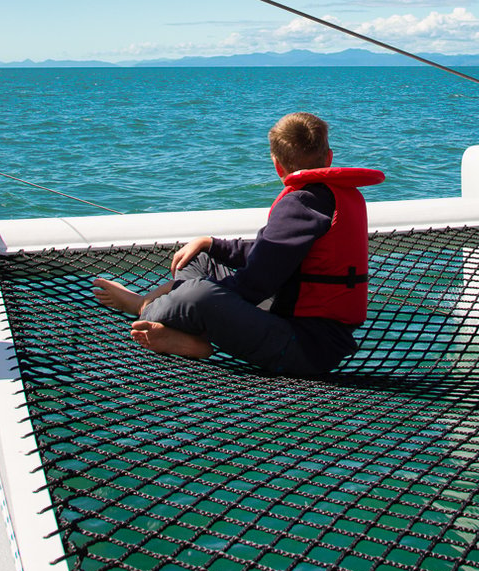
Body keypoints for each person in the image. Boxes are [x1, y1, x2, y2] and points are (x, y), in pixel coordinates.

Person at [92, 112, 384, 376]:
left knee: (199, 295)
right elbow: (270, 255)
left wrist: (187, 295)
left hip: (303, 348)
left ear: (277, 166)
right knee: (200, 258)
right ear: (329, 157)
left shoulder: (302, 203)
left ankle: (146, 308)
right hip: (304, 326)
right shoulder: (335, 195)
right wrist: (212, 243)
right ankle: (185, 330)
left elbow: (252, 285)